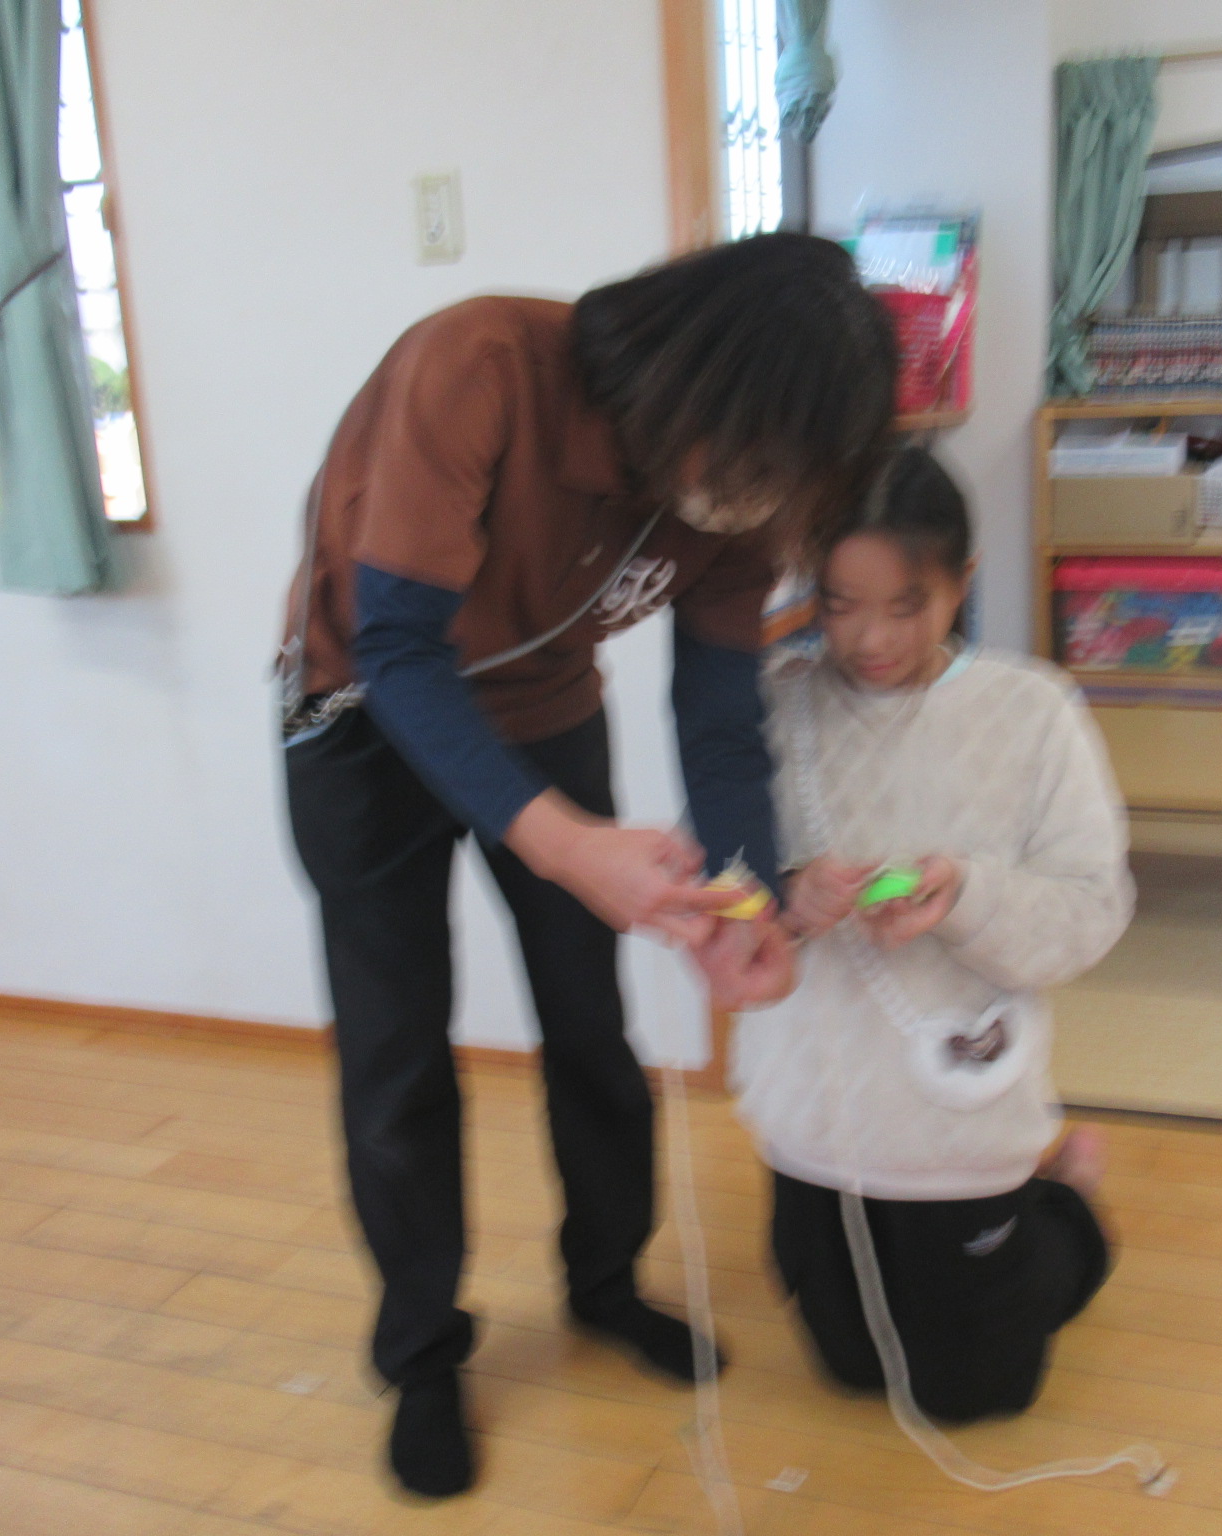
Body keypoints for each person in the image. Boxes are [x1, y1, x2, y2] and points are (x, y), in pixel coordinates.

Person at [280, 233, 896, 1497]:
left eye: (791, 478)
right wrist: (565, 844)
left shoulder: (746, 502)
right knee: (396, 1055)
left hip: (544, 713)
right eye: (754, 460)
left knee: (588, 1027)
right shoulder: (481, 367)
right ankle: (421, 1353)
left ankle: (604, 1284)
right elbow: (398, 650)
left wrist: (744, 892)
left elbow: (718, 716)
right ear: (692, 380)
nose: (760, 501)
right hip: (362, 719)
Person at [733, 446, 1134, 1422]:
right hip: (817, 1116)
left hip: (959, 1109)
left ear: (962, 581)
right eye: (839, 604)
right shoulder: (773, 705)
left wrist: (965, 898)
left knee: (974, 1391)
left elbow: (1090, 908)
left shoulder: (1032, 709)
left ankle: (1068, 1204)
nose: (870, 638)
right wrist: (783, 898)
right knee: (849, 1367)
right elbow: (711, 888)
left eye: (906, 605)